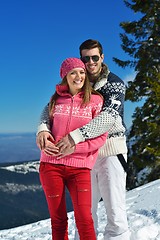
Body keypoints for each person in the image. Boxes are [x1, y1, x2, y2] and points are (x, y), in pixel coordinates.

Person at [37, 39, 130, 240]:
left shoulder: (114, 83)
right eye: (86, 58)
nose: (90, 62)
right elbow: (51, 106)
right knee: (86, 216)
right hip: (83, 158)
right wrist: (42, 128)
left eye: (94, 57)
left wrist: (74, 138)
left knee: (115, 213)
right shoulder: (78, 79)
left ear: (102, 58)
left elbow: (108, 118)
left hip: (110, 151)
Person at [38, 57, 108, 240]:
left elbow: (101, 137)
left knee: (85, 219)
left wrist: (75, 149)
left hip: (80, 168)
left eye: (82, 71)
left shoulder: (95, 100)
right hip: (51, 165)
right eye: (73, 72)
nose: (79, 76)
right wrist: (42, 133)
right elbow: (45, 123)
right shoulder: (55, 100)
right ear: (65, 76)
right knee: (58, 221)